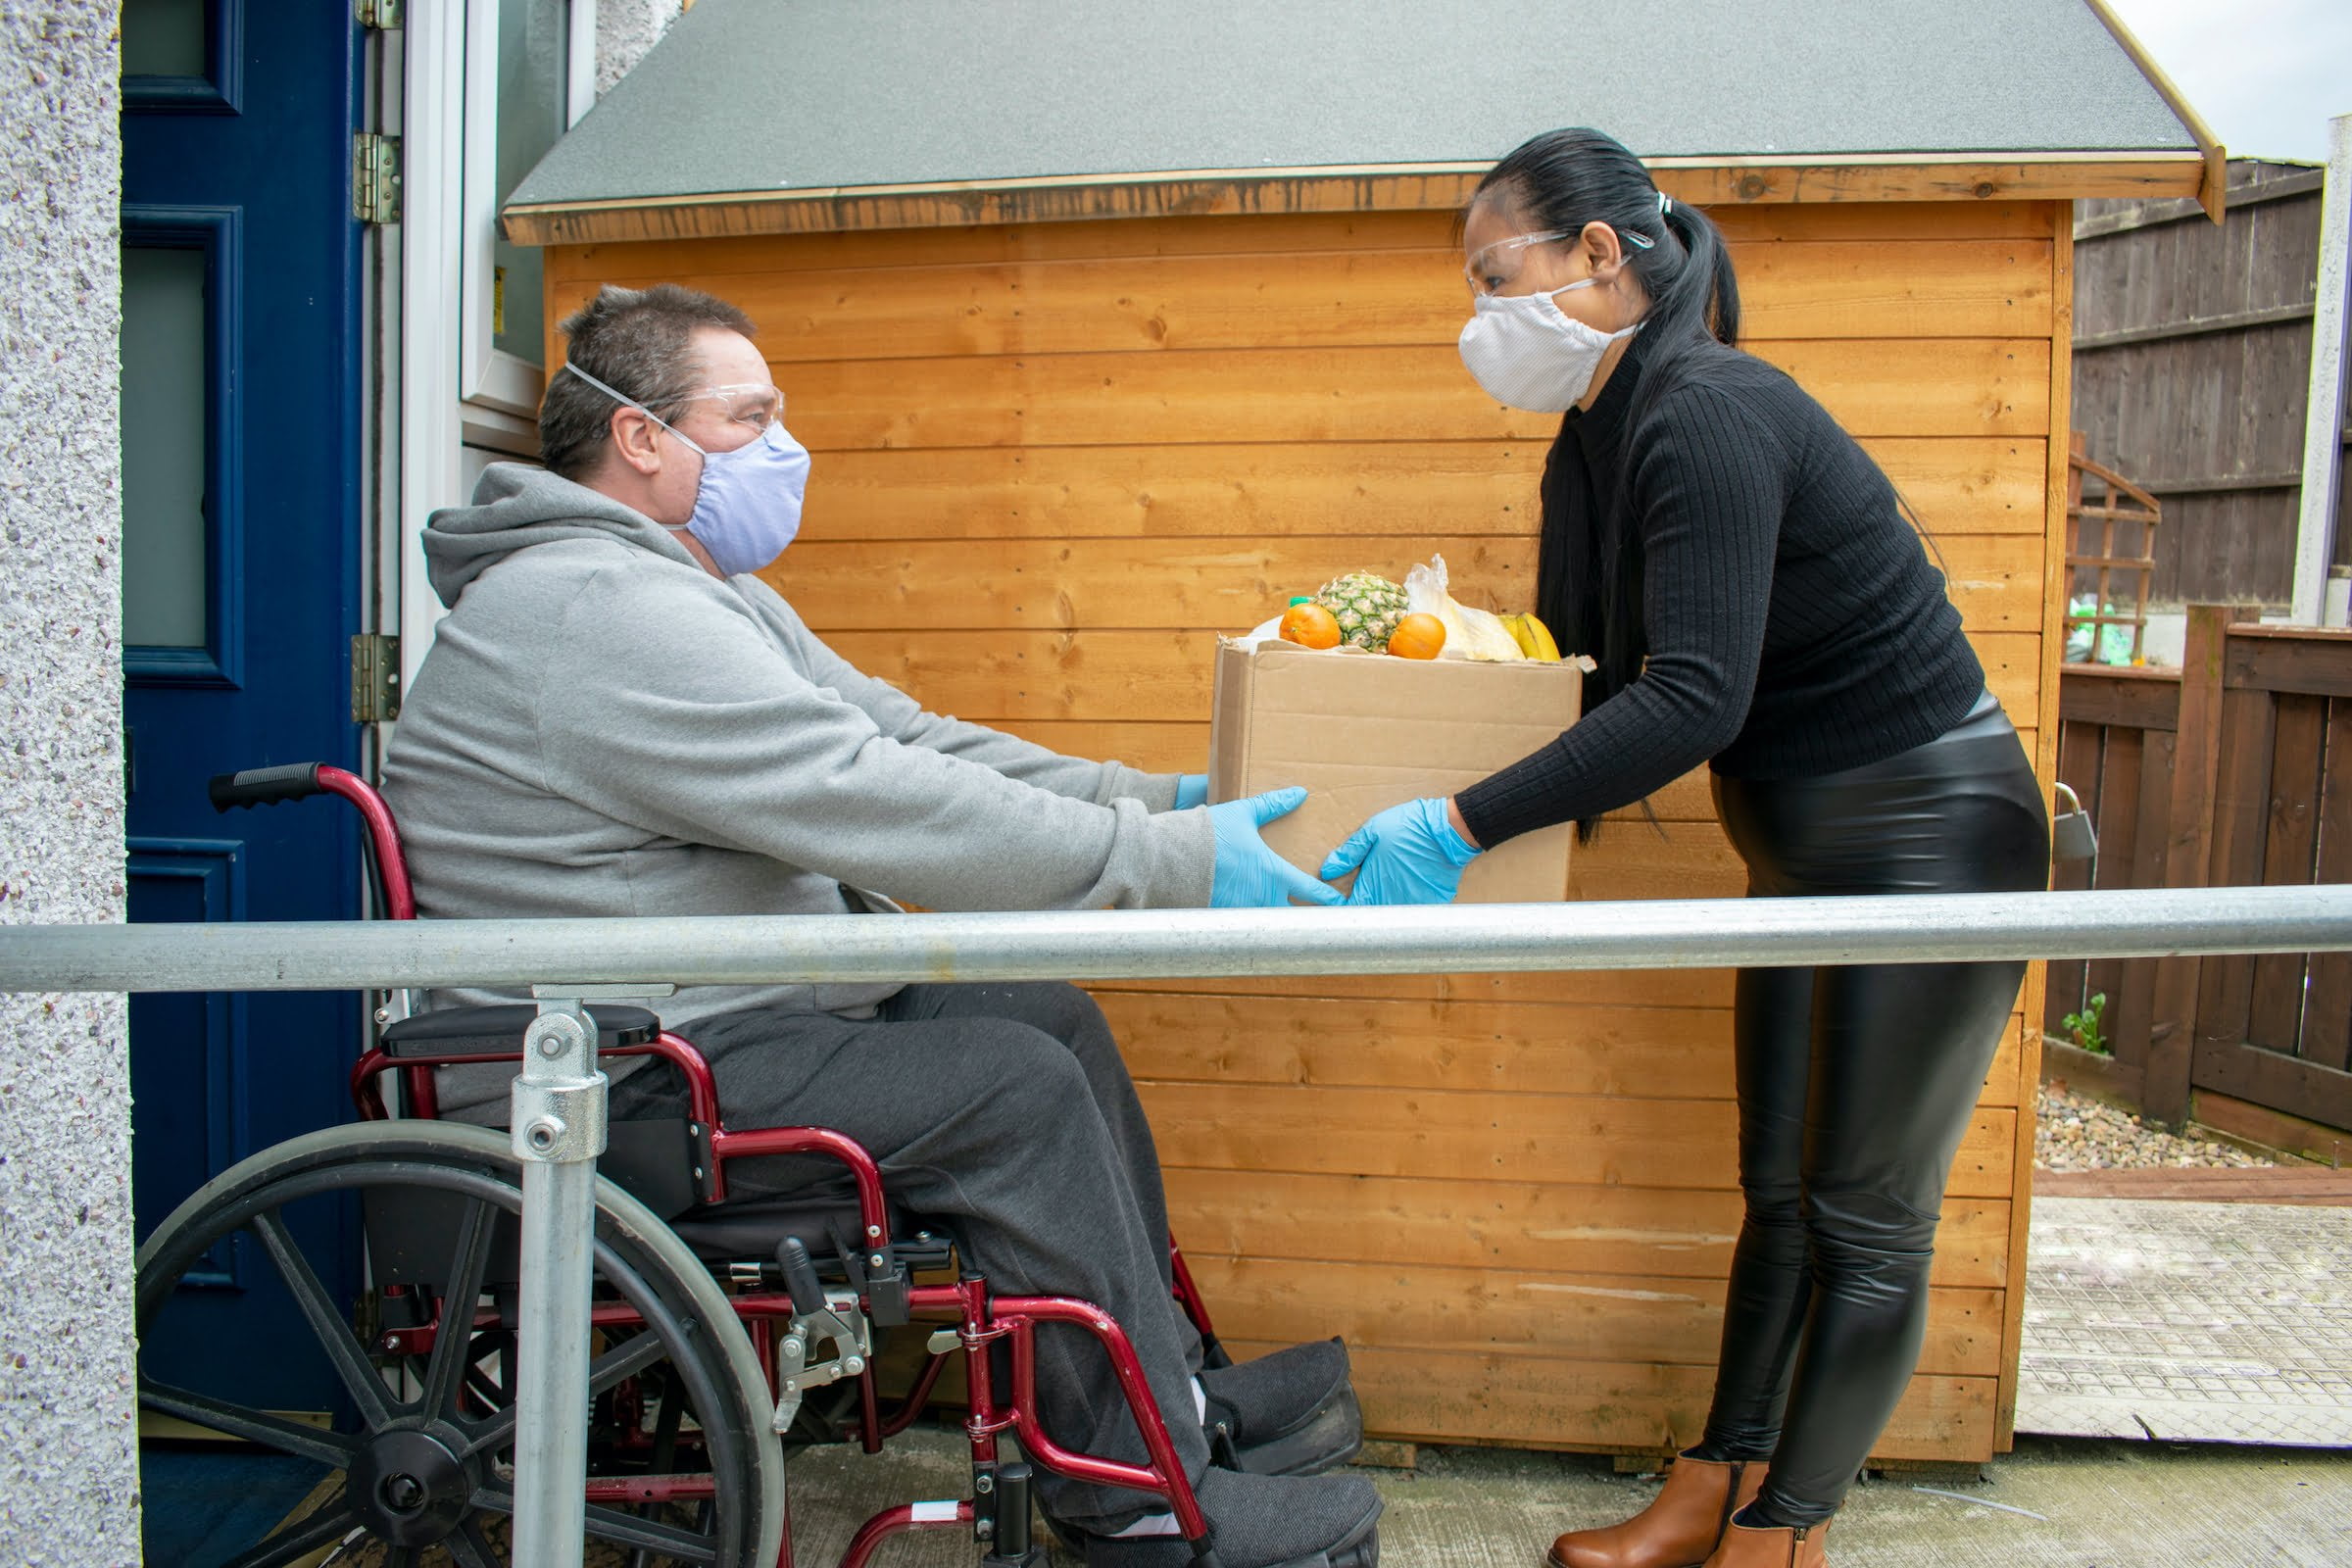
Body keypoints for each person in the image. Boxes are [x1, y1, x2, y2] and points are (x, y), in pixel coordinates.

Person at [382, 283, 1379, 1568]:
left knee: (1048, 1020)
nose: (783, 445)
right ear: (641, 438)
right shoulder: (594, 611)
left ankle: (1162, 1399)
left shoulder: (682, 584)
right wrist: (1172, 863)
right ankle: (1139, 1505)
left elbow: (907, 736)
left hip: (710, 1015)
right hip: (622, 1067)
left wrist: (1166, 803)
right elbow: (877, 800)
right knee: (1012, 1088)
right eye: (750, 417)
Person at [1322, 129, 2050, 1568]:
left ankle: (1788, 1535)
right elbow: (1593, 682)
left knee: (1867, 1213)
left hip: (1933, 837)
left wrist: (1461, 824)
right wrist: (1382, 729)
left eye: (1494, 275)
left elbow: (1692, 702)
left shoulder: (1708, 408)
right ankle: (1717, 1479)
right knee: (1778, 1188)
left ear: (1599, 256)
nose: (1479, 316)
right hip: (1807, 849)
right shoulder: (1603, 433)